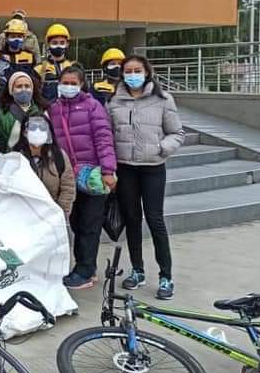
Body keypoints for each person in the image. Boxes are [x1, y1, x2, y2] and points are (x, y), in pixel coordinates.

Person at [108, 55, 184, 300]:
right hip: (126, 169)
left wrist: (161, 148)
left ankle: (166, 276)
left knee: (155, 219)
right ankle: (137, 270)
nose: (133, 75)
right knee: (132, 220)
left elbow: (177, 133)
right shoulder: (114, 101)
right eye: (128, 71)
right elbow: (108, 134)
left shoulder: (163, 99)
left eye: (137, 70)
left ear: (147, 72)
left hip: (153, 168)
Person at [49, 66, 117, 290]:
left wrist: (108, 170)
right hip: (69, 176)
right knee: (77, 222)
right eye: (65, 83)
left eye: (73, 83)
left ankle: (85, 271)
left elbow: (104, 139)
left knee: (90, 223)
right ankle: (87, 266)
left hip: (92, 175)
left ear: (81, 85)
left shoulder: (92, 106)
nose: (68, 87)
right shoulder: (54, 109)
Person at [15, 116, 75, 214]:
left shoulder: (58, 156)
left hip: (52, 214)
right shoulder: (16, 156)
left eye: (42, 128)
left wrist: (60, 215)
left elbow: (68, 188)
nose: (37, 131)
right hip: (23, 215)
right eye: (33, 127)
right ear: (24, 132)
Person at [0, 70, 48, 152]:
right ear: (11, 90)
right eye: (19, 86)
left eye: (27, 86)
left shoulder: (43, 109)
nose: (24, 89)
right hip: (8, 156)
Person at [35, 23, 75, 102]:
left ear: (67, 44)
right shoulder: (38, 69)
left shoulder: (73, 67)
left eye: (62, 43)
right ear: (48, 44)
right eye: (54, 43)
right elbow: (35, 95)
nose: (58, 46)